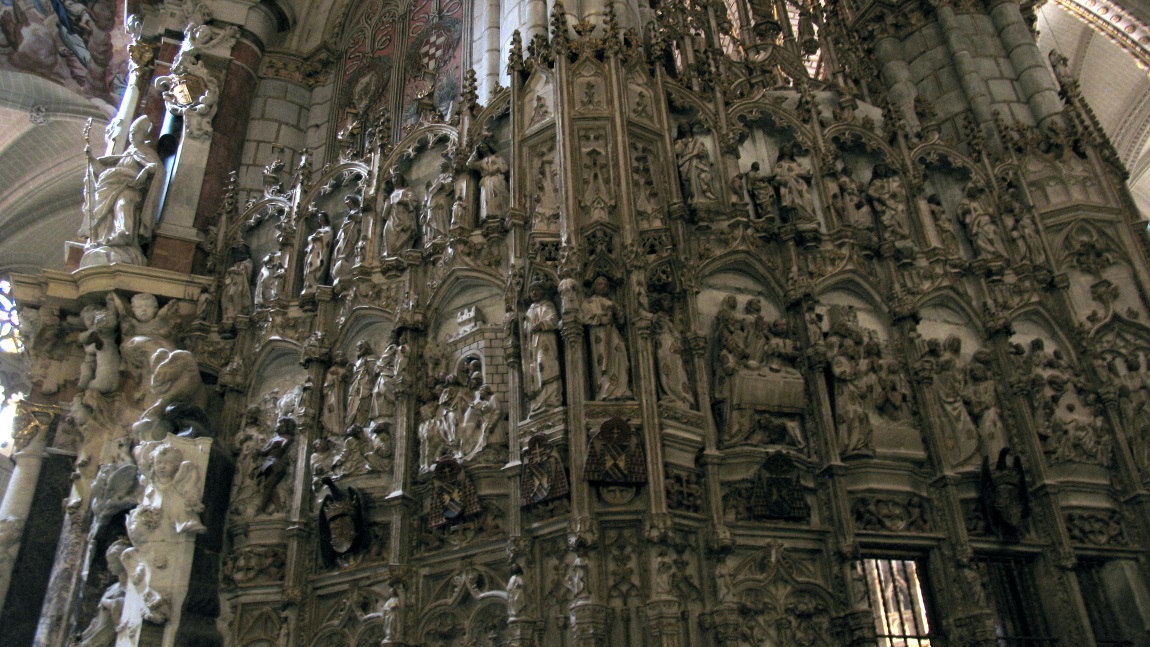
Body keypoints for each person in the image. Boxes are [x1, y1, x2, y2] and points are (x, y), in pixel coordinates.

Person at [80, 115, 162, 266]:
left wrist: (144, 172)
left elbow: (155, 168)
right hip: (114, 186)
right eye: (131, 131)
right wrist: (91, 158)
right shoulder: (128, 153)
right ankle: (109, 237)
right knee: (109, 214)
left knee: (123, 206)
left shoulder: (145, 152)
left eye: (135, 132)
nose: (132, 135)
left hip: (131, 188)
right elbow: (105, 171)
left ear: (143, 135)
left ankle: (124, 234)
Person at [583, 276, 632, 400]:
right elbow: (584, 318)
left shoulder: (612, 303)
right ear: (594, 287)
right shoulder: (589, 302)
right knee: (603, 362)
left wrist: (616, 310)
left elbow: (621, 321)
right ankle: (605, 392)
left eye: (605, 284)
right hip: (599, 336)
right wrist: (602, 318)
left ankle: (621, 389)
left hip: (612, 333)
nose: (603, 286)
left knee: (621, 357)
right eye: (599, 284)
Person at [524, 282, 562, 415]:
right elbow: (526, 328)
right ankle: (539, 401)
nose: (534, 293)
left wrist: (541, 325)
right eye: (531, 291)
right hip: (533, 344)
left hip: (546, 342)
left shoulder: (547, 305)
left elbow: (554, 320)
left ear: (543, 291)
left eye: (537, 290)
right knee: (535, 370)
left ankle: (552, 399)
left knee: (545, 365)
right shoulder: (530, 309)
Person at [467, 141, 510, 223]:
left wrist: (497, 170)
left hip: (497, 178)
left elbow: (505, 167)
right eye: (480, 147)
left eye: (484, 145)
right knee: (487, 198)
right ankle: (488, 215)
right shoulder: (481, 163)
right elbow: (469, 164)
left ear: (488, 146)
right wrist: (475, 152)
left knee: (498, 196)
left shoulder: (496, 157)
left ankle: (501, 215)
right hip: (486, 182)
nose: (483, 147)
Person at [380, 173, 417, 258]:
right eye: (393, 177)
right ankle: (390, 255)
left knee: (403, 233)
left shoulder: (407, 190)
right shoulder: (390, 195)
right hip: (392, 218)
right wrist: (386, 202)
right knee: (387, 231)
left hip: (403, 217)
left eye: (397, 177)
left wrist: (404, 201)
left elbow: (413, 201)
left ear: (402, 179)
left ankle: (401, 253)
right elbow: (385, 215)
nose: (395, 179)